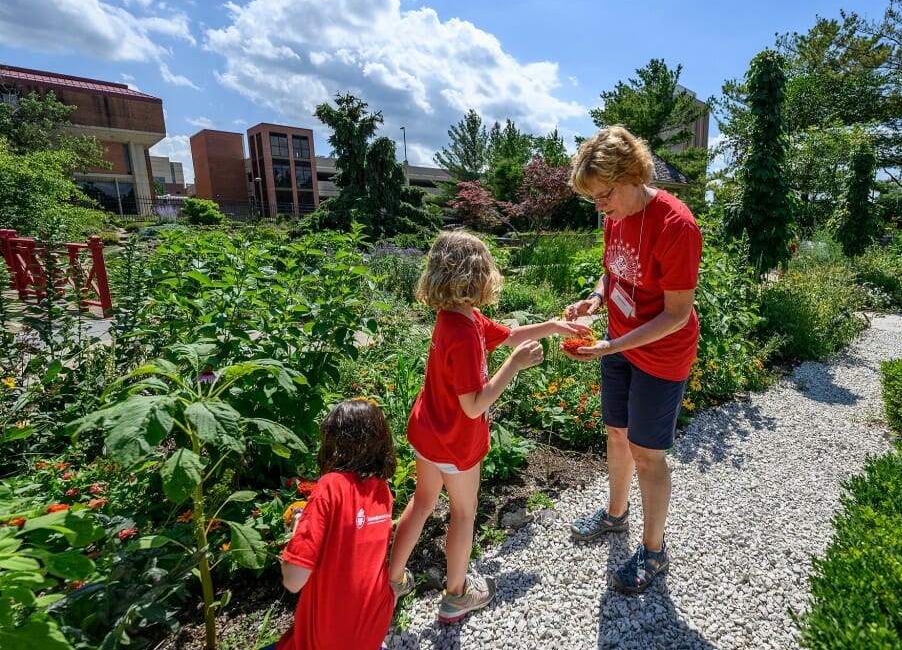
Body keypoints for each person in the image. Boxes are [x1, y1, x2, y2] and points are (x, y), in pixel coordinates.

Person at [387, 230, 590, 623]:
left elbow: (509, 334)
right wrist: (513, 365)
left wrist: (553, 326)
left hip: (428, 431)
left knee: (424, 502)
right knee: (463, 514)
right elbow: (474, 404)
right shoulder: (463, 333)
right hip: (455, 442)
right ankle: (456, 596)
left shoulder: (459, 317)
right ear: (476, 277)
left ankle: (393, 580)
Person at [563, 125, 702, 594]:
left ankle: (655, 550)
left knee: (647, 454)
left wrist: (610, 347)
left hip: (661, 353)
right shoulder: (616, 217)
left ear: (633, 175)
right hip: (619, 342)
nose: (600, 207)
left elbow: (677, 314)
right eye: (594, 199)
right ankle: (616, 515)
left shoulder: (676, 226)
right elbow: (614, 274)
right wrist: (594, 301)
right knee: (617, 434)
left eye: (604, 195)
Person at [274, 398, 397, 650]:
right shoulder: (383, 491)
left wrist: (299, 531)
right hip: (371, 630)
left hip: (328, 637)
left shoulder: (330, 487)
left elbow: (294, 580)